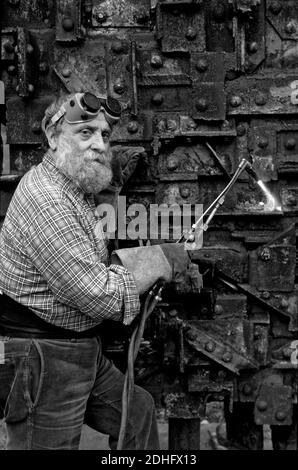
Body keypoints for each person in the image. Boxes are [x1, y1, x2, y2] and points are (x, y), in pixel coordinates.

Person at [0, 91, 192, 450]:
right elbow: (94, 293)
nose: (99, 145)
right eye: (85, 133)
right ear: (53, 137)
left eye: (104, 135)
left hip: (77, 348)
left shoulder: (73, 187)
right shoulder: (47, 199)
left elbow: (90, 261)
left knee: (137, 413)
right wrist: (159, 262)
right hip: (43, 356)